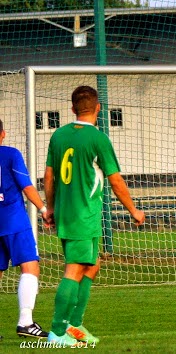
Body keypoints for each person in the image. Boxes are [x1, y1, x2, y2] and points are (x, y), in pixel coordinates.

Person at [43, 86, 146, 346]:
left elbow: (48, 176)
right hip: (83, 215)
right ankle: (57, 332)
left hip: (68, 212)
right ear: (98, 108)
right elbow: (115, 180)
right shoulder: (98, 139)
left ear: (72, 108)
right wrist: (133, 209)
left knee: (93, 265)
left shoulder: (58, 135)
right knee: (74, 269)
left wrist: (51, 208)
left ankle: (74, 326)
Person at [0, 119, 53, 340]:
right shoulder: (11, 154)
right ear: (2, 134)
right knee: (30, 267)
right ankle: (25, 322)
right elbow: (27, 186)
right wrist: (43, 209)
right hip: (13, 221)